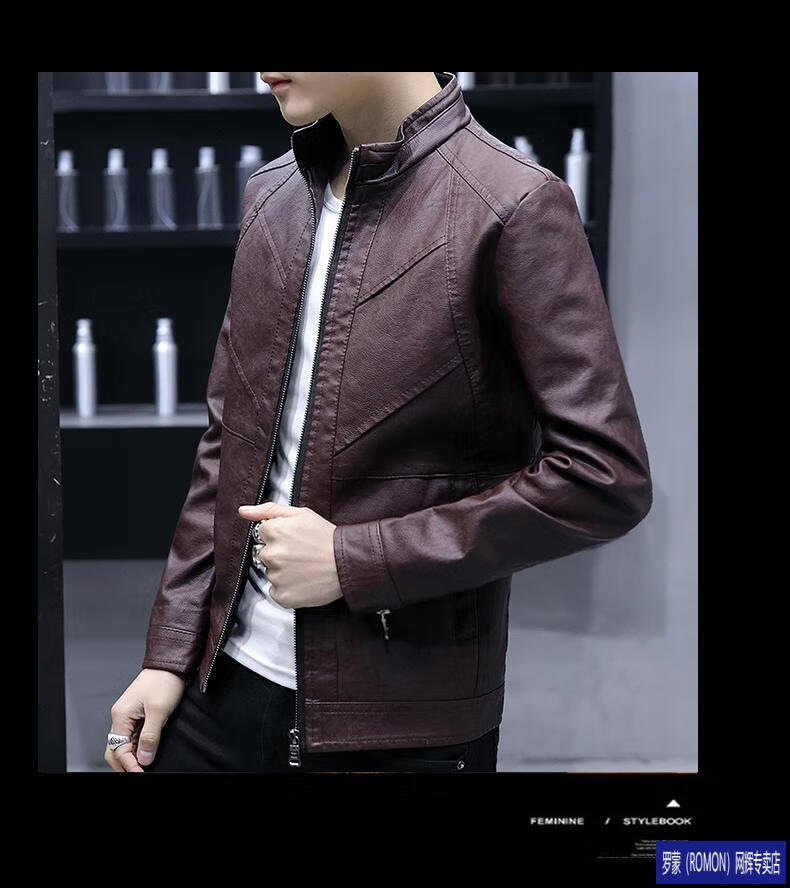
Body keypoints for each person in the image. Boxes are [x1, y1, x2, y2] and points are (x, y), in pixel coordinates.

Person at [105, 72, 652, 773]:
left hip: (399, 725)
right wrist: (170, 652)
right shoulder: (272, 194)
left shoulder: (512, 204)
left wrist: (357, 560)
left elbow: (605, 478)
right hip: (218, 693)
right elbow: (227, 444)